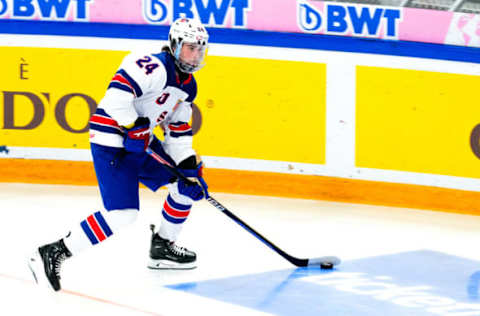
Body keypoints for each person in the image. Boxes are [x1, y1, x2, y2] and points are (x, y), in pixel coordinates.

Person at [28, 17, 210, 292]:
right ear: (174, 45)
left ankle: (162, 247)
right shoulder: (153, 66)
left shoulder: (188, 87)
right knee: (122, 214)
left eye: (200, 49)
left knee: (184, 186)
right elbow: (115, 99)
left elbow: (178, 131)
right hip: (111, 139)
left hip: (140, 142)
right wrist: (132, 126)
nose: (195, 55)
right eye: (189, 48)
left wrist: (186, 165)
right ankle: (54, 252)